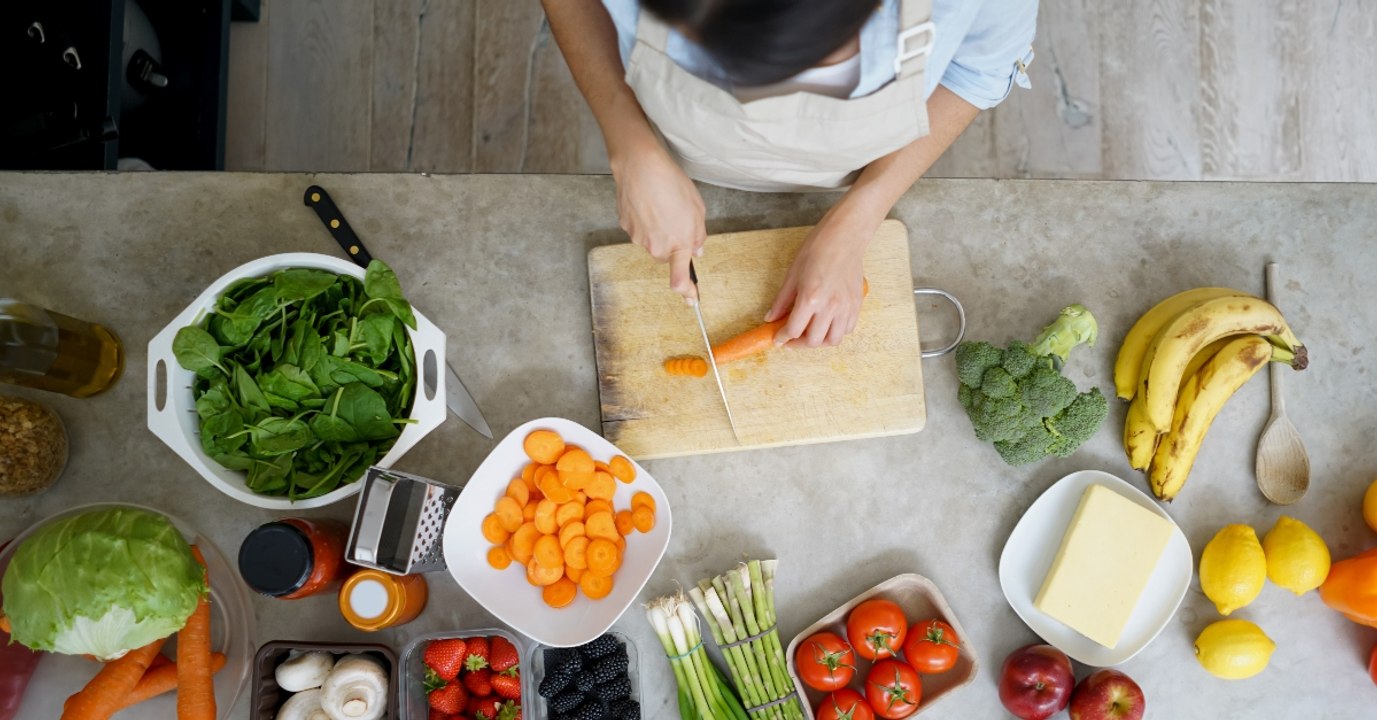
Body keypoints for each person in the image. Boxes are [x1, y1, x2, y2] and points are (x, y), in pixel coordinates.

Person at [543, 0, 1037, 348]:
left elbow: (974, 71)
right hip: (672, 145)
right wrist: (629, 143)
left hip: (858, 169)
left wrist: (859, 217)